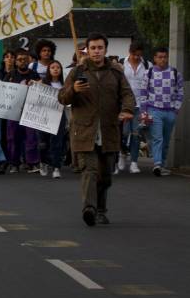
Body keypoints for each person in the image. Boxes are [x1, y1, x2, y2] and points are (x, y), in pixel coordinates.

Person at [58, 33, 135, 226]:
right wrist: (73, 90)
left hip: (109, 130)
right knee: (90, 171)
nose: (96, 52)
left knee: (105, 175)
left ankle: (101, 209)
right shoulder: (77, 72)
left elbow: (127, 94)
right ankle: (89, 209)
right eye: (93, 48)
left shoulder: (116, 72)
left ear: (106, 50)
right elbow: (62, 97)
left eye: (100, 48)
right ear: (87, 50)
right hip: (85, 131)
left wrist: (126, 110)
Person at [140, 47, 184, 177]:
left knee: (166, 140)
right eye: (159, 57)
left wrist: (176, 109)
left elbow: (180, 92)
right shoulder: (148, 73)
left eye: (164, 57)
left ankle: (162, 165)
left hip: (170, 112)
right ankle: (157, 164)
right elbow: (143, 94)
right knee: (157, 138)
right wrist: (144, 112)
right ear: (154, 58)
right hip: (154, 110)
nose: (162, 59)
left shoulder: (176, 73)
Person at [5, 49, 40, 173]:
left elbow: (40, 90)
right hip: (13, 111)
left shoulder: (34, 74)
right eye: (20, 60)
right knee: (12, 137)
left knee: (31, 137)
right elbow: (3, 93)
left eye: (25, 59)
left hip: (29, 110)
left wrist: (36, 84)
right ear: (15, 61)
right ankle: (14, 163)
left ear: (28, 60)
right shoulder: (10, 75)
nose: (23, 62)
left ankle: (33, 163)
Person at [119, 41, 148, 174]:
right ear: (129, 52)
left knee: (136, 134)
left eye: (139, 55)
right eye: (134, 55)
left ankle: (134, 162)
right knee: (123, 133)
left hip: (140, 105)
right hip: (124, 105)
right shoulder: (120, 63)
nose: (136, 57)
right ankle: (122, 154)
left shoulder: (147, 65)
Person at [40, 60, 68, 179]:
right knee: (43, 142)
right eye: (52, 67)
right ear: (48, 70)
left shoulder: (65, 84)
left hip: (59, 116)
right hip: (44, 115)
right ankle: (44, 162)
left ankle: (56, 167)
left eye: (58, 67)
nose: (55, 69)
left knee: (57, 142)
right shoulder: (42, 83)